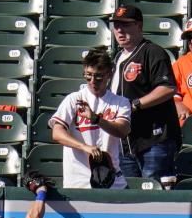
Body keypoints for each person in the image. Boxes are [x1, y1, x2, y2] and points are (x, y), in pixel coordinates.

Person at [108, 5, 180, 180]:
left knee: (155, 196)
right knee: (131, 199)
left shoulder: (152, 52)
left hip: (154, 140)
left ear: (139, 26)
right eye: (116, 25)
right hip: (127, 142)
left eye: (125, 25)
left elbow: (168, 88)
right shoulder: (118, 58)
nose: (119, 30)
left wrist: (135, 104)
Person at [50, 49, 131, 189]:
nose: (93, 81)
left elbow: (123, 130)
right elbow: (57, 133)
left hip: (111, 179)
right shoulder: (74, 99)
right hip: (78, 180)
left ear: (109, 74)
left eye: (99, 76)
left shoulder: (120, 102)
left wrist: (96, 119)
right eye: (88, 76)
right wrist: (84, 147)